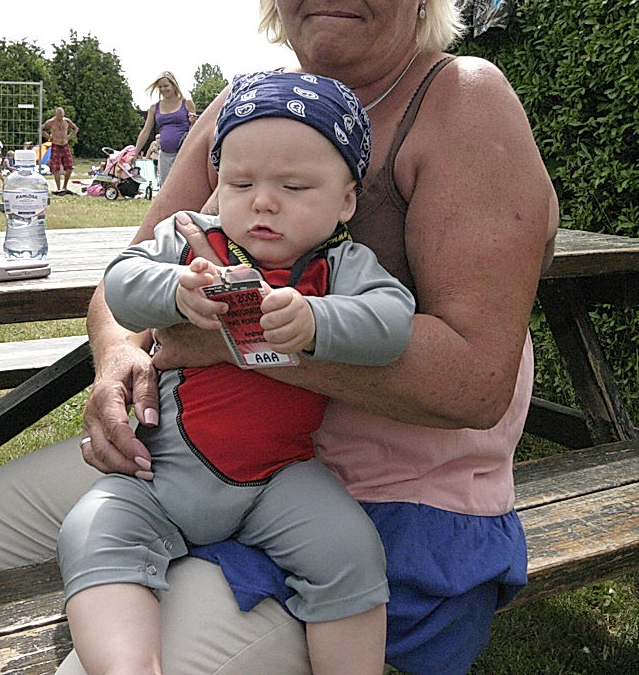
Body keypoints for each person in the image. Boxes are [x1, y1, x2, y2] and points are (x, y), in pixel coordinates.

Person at [0, 0, 560, 672]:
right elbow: (131, 270)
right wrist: (118, 359)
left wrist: (228, 344)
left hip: (380, 505)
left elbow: (473, 383)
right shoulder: (247, 106)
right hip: (201, 450)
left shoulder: (463, 101)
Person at [59, 71, 414, 675]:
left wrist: (317, 323)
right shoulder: (194, 241)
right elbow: (120, 281)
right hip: (161, 470)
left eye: (295, 186)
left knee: (350, 551)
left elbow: (393, 322)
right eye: (240, 181)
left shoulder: (343, 265)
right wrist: (175, 290)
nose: (263, 201)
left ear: (346, 200)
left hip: (280, 477)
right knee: (93, 530)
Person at [137, 71, 198, 190]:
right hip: (164, 155)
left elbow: (196, 130)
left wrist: (193, 122)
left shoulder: (187, 103)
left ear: (173, 85)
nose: (163, 89)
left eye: (166, 86)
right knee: (166, 189)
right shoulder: (154, 107)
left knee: (183, 188)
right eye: (160, 87)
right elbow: (145, 131)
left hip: (183, 154)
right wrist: (135, 152)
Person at [42, 106, 79, 195]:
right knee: (56, 168)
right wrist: (49, 137)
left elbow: (75, 128)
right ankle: (58, 188)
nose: (60, 119)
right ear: (56, 115)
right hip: (56, 145)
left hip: (65, 145)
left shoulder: (67, 121)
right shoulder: (51, 122)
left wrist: (69, 137)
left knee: (70, 167)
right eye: (58, 117)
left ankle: (64, 186)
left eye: (61, 117)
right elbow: (41, 129)